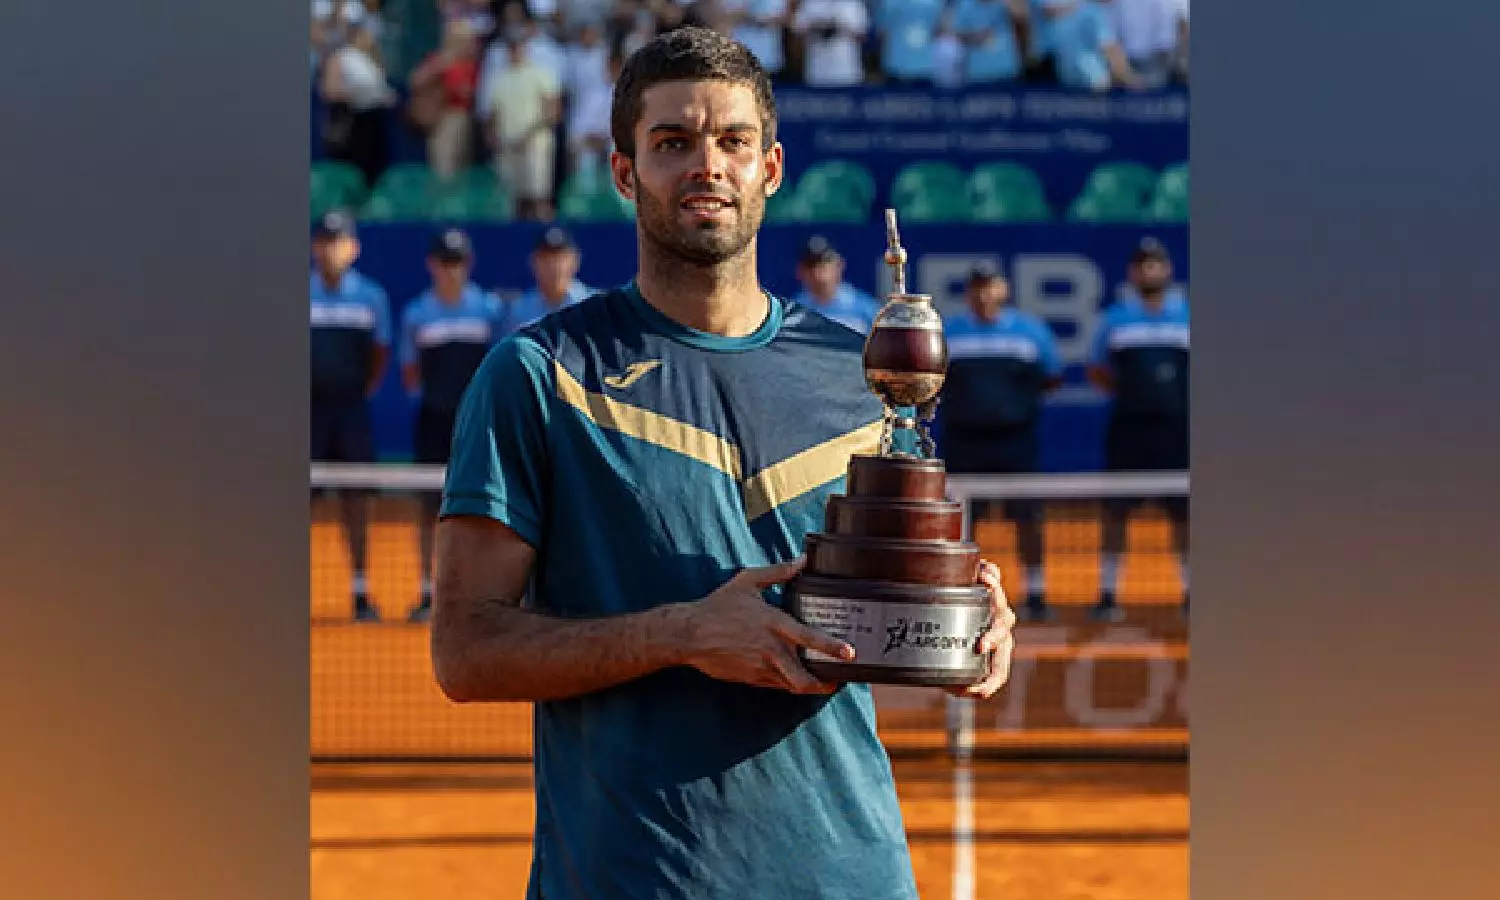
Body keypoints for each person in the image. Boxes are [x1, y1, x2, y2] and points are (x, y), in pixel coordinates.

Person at [429, 27, 1015, 900]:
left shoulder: (862, 377)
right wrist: (680, 633)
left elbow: (886, 592)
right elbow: (466, 651)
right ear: (624, 172)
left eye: (733, 141)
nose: (707, 166)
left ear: (769, 168)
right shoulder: (540, 375)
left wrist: (967, 610)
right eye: (672, 143)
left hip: (850, 876)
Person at [940, 261, 1063, 621]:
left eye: (990, 285)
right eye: (977, 287)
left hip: (1015, 442)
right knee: (962, 521)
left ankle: (1036, 593)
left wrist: (1013, 409)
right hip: (964, 442)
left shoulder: (1031, 333)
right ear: (968, 293)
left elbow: (1051, 377)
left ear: (1003, 289)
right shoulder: (950, 333)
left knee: (1028, 518)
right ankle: (959, 590)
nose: (984, 294)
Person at [397, 228, 507, 623]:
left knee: (485, 510)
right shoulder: (417, 313)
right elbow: (410, 372)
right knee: (430, 508)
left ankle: (482, 595)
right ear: (432, 265)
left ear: (468, 264)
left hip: (478, 426)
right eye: (444, 262)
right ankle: (430, 591)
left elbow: (499, 366)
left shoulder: (490, 311)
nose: (451, 270)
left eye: (457, 262)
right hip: (433, 422)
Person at [1087, 237, 1190, 620]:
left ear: (1167, 270)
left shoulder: (1189, 316)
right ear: (1132, 273)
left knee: (1185, 514)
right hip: (1129, 429)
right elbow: (1097, 369)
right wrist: (1133, 395)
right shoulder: (1115, 320)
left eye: (1155, 264)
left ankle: (1190, 591)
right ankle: (1109, 592)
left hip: (1178, 430)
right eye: (1142, 265)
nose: (1149, 271)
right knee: (1117, 511)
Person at [310, 211, 391, 623]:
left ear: (353, 249)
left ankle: (359, 592)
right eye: (324, 241)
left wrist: (359, 388)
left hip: (350, 412)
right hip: (306, 415)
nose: (330, 250)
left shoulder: (371, 297)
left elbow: (380, 354)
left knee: (356, 502)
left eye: (337, 242)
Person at [502, 226, 595, 331]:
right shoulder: (518, 310)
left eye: (561, 258)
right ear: (533, 262)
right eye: (545, 258)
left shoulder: (594, 305)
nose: (553, 265)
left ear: (575, 260)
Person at [791, 235, 881, 334]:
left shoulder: (866, 308)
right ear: (800, 271)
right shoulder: (794, 310)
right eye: (810, 265)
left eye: (824, 263)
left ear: (839, 265)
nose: (817, 272)